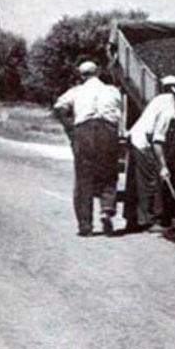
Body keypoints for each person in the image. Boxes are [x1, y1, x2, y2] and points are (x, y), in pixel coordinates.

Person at [53, 61, 125, 236]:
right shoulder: (112, 90)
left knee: (84, 178)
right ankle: (106, 210)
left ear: (81, 75)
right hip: (108, 131)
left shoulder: (76, 91)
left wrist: (71, 129)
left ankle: (86, 225)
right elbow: (119, 112)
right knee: (108, 173)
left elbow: (59, 107)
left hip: (84, 131)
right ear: (98, 72)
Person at [125, 79, 175, 232]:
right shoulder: (168, 112)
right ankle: (149, 221)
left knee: (140, 181)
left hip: (139, 138)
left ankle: (135, 219)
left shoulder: (164, 99)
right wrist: (163, 166)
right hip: (142, 143)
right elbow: (157, 141)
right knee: (149, 181)